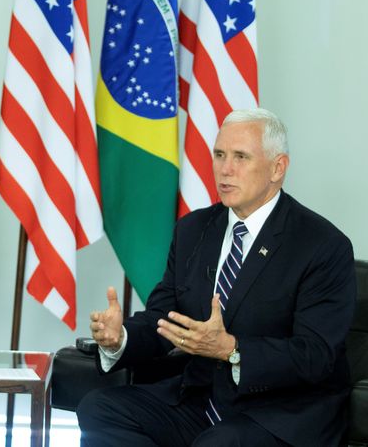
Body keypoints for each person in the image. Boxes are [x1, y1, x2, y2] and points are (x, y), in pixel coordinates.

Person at [78, 108, 356, 446]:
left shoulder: (321, 245)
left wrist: (233, 350)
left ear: (277, 168)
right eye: (220, 154)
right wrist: (119, 338)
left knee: (220, 442)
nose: (225, 169)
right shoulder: (193, 230)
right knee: (99, 409)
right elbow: (165, 321)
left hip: (281, 411)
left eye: (241, 157)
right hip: (202, 400)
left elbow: (316, 355)